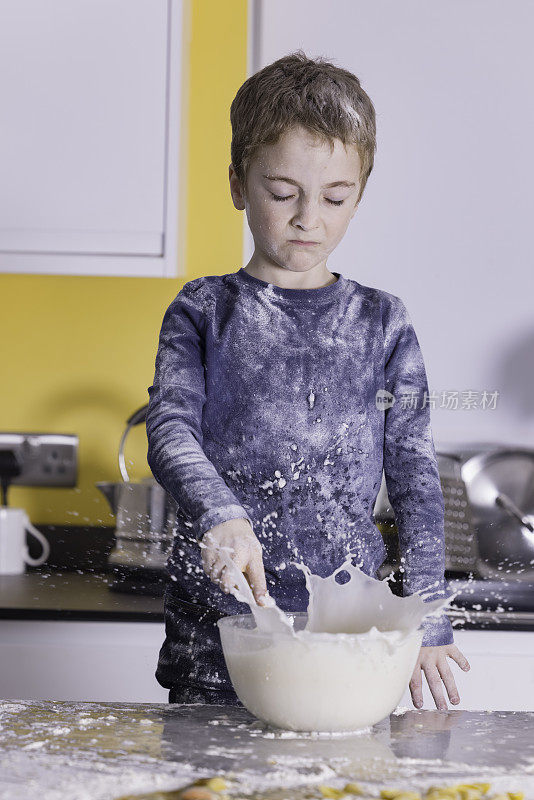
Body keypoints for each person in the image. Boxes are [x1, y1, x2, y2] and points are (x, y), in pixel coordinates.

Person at [146, 49, 470, 710]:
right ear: (238, 184)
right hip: (216, 648)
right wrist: (222, 513)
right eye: (282, 192)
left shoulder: (382, 322)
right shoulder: (204, 311)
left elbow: (413, 476)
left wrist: (428, 616)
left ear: (361, 192)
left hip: (347, 647)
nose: (307, 218)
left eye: (335, 196)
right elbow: (171, 424)